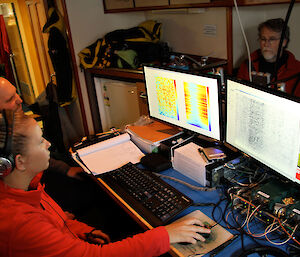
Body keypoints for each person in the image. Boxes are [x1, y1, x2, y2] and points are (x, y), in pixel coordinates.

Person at [0, 109, 211, 256]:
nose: (48, 144)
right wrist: (166, 235)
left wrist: (81, 230)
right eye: (39, 141)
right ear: (19, 161)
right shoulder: (20, 222)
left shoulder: (26, 186)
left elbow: (56, 222)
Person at [237, 18, 300, 97]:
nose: (266, 44)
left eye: (272, 39)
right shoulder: (248, 65)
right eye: (263, 39)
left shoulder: (296, 70)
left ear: (284, 42)